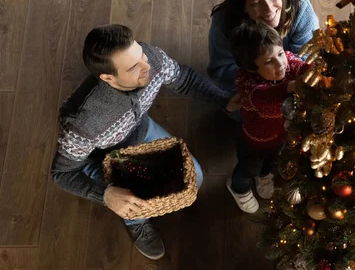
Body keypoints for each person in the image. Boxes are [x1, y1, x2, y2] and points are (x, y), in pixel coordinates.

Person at [50, 24, 240, 260]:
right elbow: (62, 173)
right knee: (135, 203)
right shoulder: (83, 124)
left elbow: (183, 78)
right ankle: (136, 223)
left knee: (195, 177)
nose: (147, 66)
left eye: (140, 54)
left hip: (140, 130)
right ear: (108, 77)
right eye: (133, 66)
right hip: (100, 155)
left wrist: (223, 100)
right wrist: (106, 194)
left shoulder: (149, 57)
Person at [227, 19, 311, 213]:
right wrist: (291, 86)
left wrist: (315, 72)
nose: (280, 63)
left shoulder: (285, 60)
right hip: (254, 141)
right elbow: (266, 99)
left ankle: (264, 175)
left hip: (279, 135)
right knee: (248, 168)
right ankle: (238, 187)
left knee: (273, 160)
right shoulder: (248, 84)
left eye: (280, 53)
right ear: (251, 68)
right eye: (268, 61)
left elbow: (298, 65)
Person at [208, 0, 319, 96]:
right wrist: (262, 80)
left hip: (295, 82)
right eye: (255, 3)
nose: (269, 9)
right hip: (252, 89)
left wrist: (285, 80)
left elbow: (309, 56)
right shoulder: (223, 22)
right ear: (242, 8)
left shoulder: (301, 7)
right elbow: (221, 71)